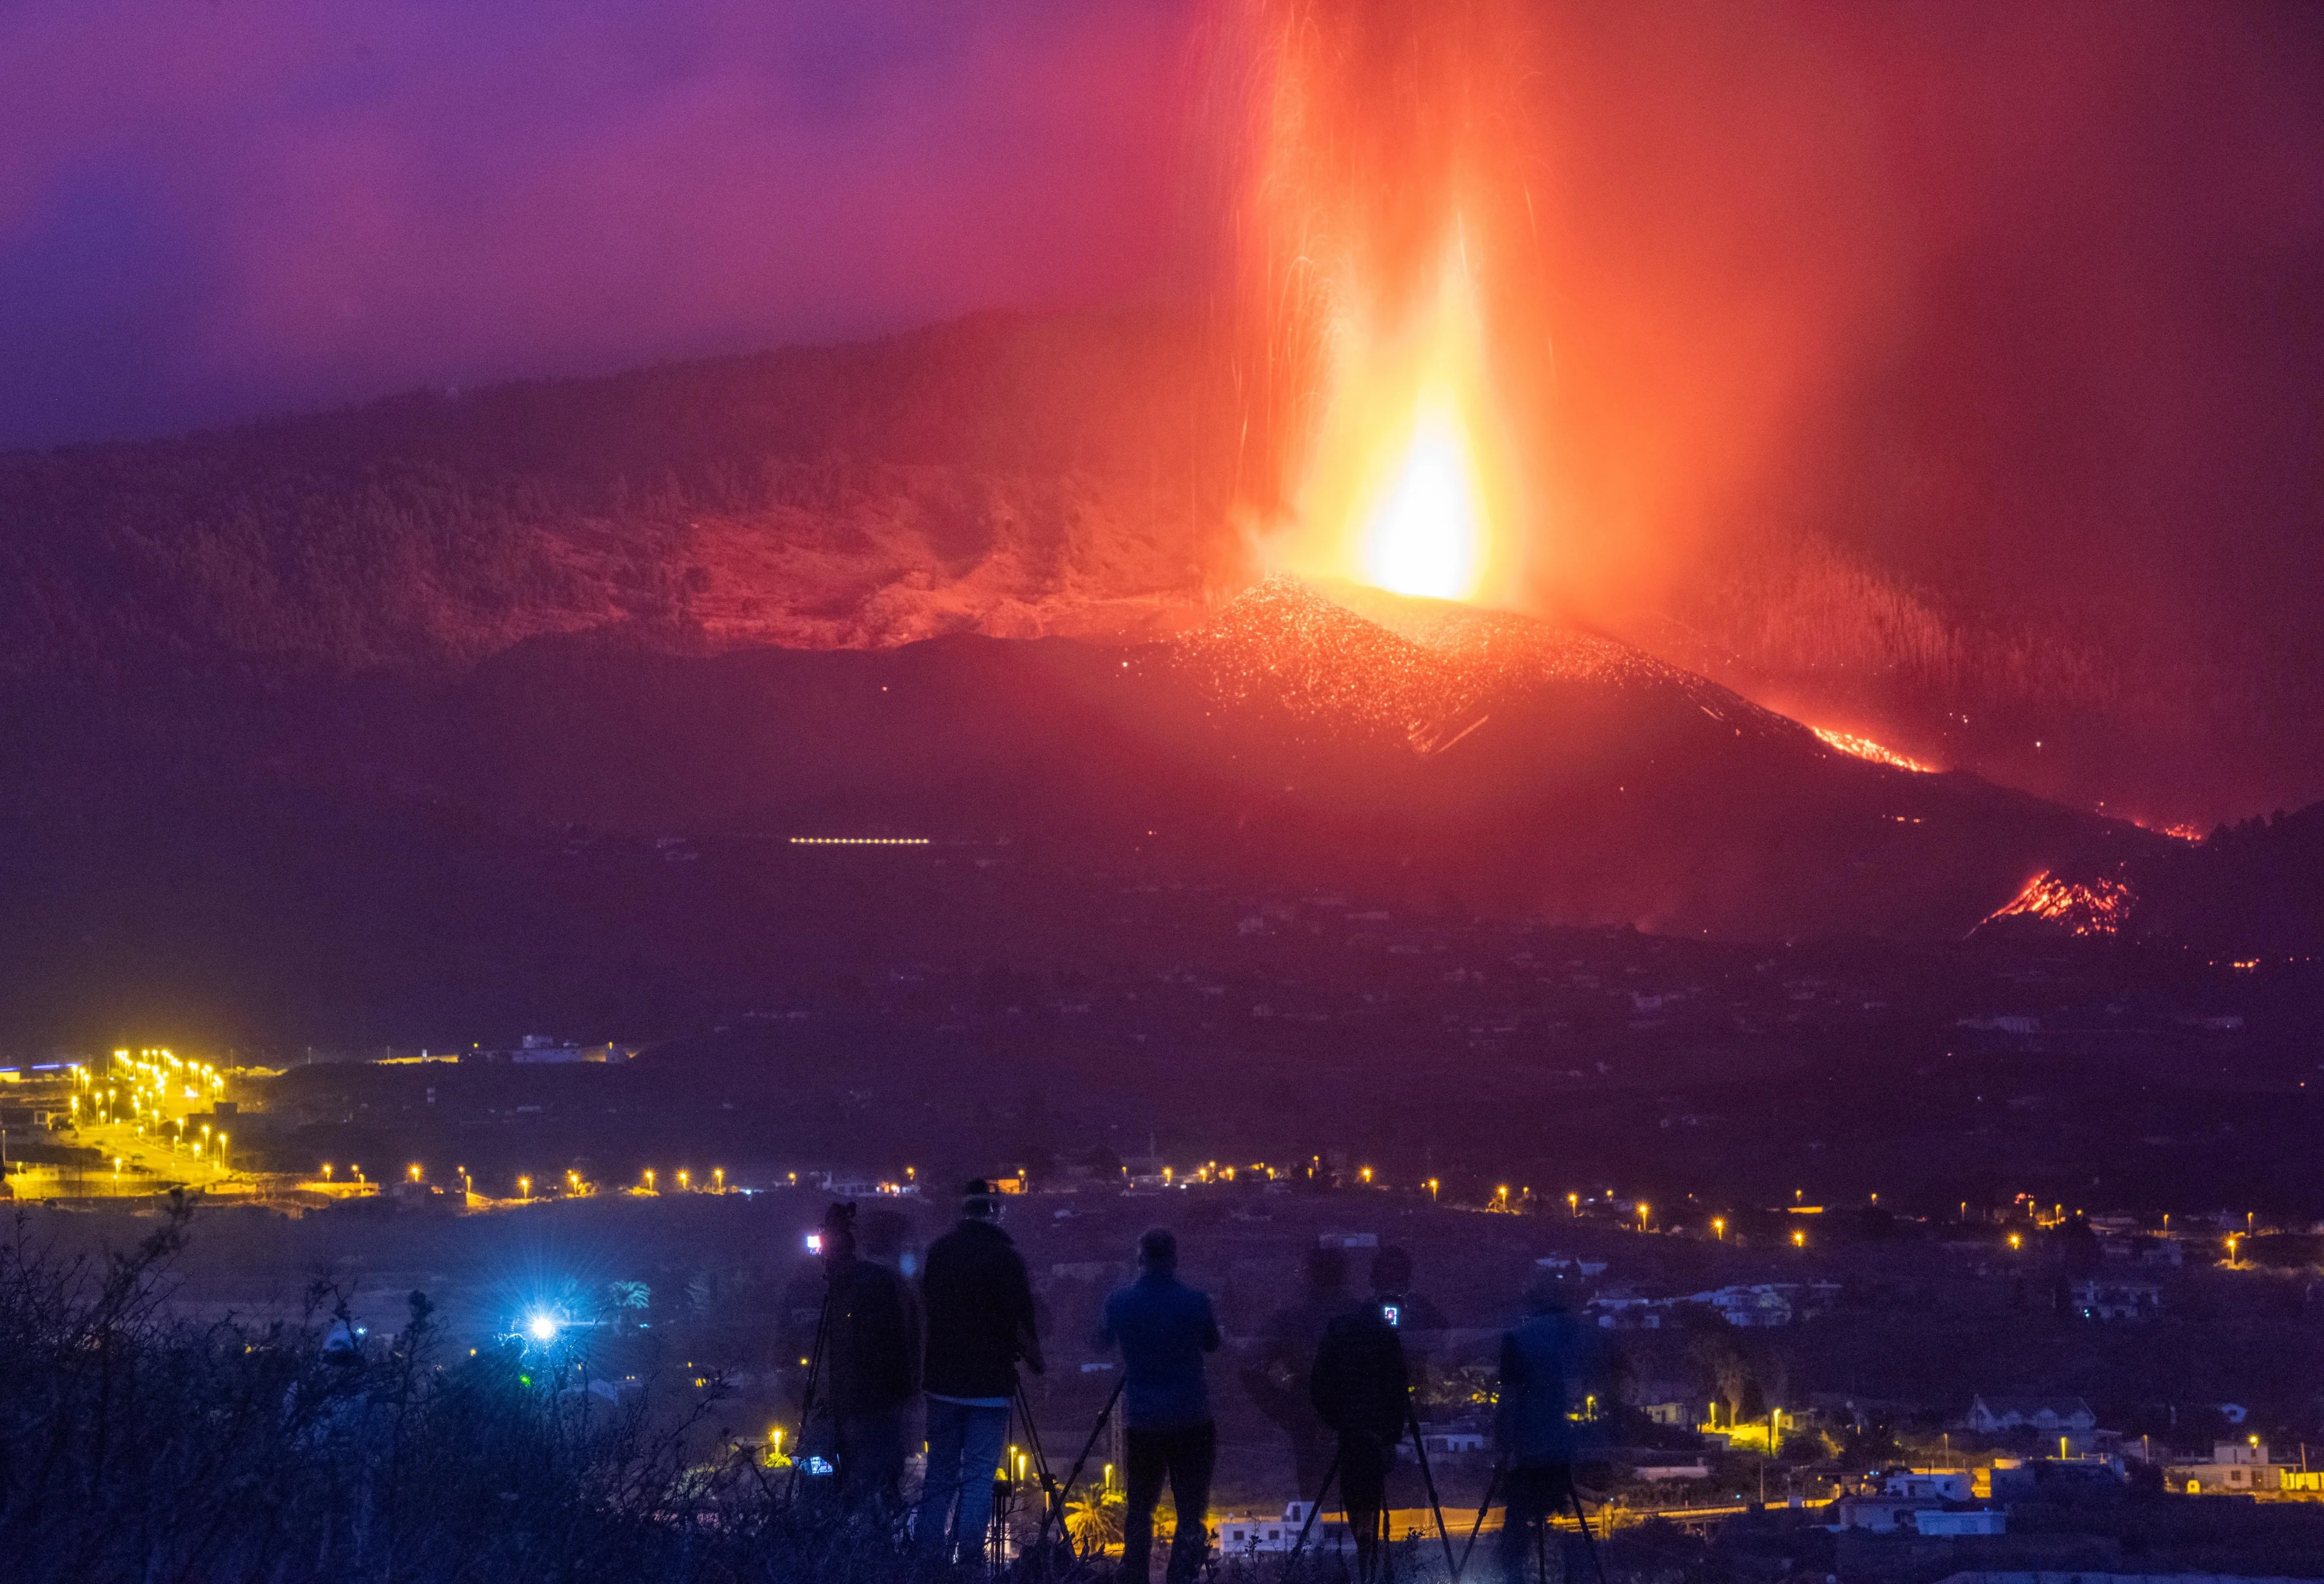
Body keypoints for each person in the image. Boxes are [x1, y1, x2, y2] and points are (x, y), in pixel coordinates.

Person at [914, 1180, 1042, 1564]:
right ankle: (970, 1562)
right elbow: (1022, 1320)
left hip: (942, 1381)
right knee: (978, 1479)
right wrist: (1035, 1358)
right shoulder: (1005, 1257)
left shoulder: (940, 1252)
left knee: (939, 1475)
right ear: (996, 1211)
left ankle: (925, 1559)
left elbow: (926, 1309)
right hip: (989, 1385)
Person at [1100, 1229, 1222, 1584]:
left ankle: (1135, 1573)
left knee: (1140, 1505)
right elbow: (1213, 1343)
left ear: (1140, 1260)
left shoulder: (1120, 1302)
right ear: (1175, 1259)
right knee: (1191, 1510)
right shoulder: (1197, 1301)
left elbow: (1101, 1340)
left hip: (1144, 1420)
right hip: (1192, 1417)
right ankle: (1181, 1576)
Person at [1495, 1276, 1609, 1584]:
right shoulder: (1570, 1337)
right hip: (1558, 1449)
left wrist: (1502, 1448)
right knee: (1565, 1520)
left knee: (1516, 1530)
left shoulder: (1517, 1340)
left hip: (1527, 1452)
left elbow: (1509, 1402)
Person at [816, 1203, 919, 1514]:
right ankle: (876, 1545)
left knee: (848, 1487)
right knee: (878, 1485)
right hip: (877, 1406)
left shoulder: (855, 1286)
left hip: (855, 1405)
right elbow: (901, 1347)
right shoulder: (885, 1284)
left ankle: (840, 1541)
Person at [1241, 1243, 1354, 1505]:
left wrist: (1279, 1407)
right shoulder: (1362, 1314)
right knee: (1357, 1496)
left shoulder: (1290, 1318)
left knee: (1312, 1494)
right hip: (1354, 1417)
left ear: (1308, 1275)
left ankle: (1313, 1543)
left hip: (1307, 1415)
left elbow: (1250, 1364)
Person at [1308, 1290, 1408, 1578]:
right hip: (1373, 1435)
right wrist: (1390, 1436)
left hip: (1351, 1435)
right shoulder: (1386, 1339)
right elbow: (1397, 1388)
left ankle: (1363, 1552)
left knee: (1354, 1490)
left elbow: (1318, 1385)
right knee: (1369, 1493)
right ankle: (1369, 1556)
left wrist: (1340, 1421)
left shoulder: (1339, 1331)